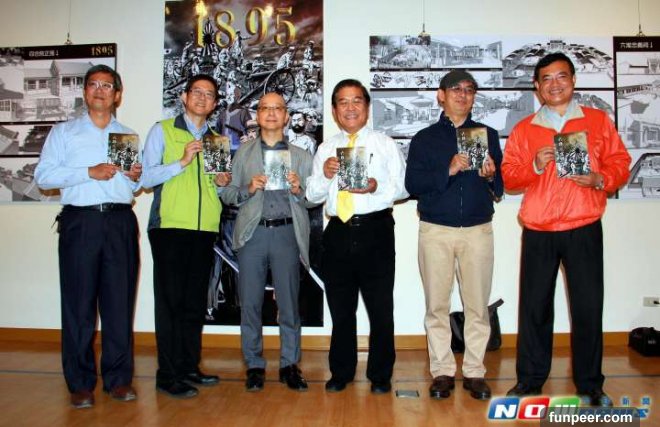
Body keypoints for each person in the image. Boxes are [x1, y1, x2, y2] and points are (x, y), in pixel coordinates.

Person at [501, 53, 631, 406]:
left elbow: (620, 162)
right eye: (546, 78)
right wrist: (533, 165)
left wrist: (599, 179)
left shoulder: (597, 121)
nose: (554, 84)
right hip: (539, 228)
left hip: (583, 224)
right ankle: (529, 380)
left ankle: (590, 385)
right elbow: (510, 177)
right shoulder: (525, 129)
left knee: (588, 307)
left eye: (561, 76)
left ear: (573, 81)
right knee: (534, 308)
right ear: (537, 86)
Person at [34, 64, 142, 408]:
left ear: (117, 95)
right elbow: (44, 177)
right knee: (78, 305)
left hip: (120, 222)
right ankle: (80, 383)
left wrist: (134, 176)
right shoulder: (64, 132)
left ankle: (118, 379)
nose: (99, 90)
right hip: (81, 223)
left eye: (107, 86)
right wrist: (88, 172)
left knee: (119, 304)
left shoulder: (126, 134)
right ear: (85, 92)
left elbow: (131, 187)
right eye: (93, 84)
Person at [404, 70, 503, 401]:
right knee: (437, 306)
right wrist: (447, 169)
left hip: (478, 230)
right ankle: (442, 371)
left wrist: (490, 176)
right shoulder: (425, 138)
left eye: (469, 89)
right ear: (441, 95)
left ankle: (475, 372)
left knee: (477, 307)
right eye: (455, 89)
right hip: (436, 230)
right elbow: (413, 185)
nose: (463, 94)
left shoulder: (488, 135)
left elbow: (500, 188)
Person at [306, 79, 408, 394]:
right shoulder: (325, 148)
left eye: (356, 101)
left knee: (380, 308)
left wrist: (376, 186)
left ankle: (380, 374)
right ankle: (341, 371)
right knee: (340, 309)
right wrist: (325, 175)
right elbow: (311, 195)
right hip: (337, 231)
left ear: (367, 106)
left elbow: (403, 188)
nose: (350, 108)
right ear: (334, 110)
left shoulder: (384, 143)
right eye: (343, 102)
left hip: (376, 230)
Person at [142, 74, 231, 399]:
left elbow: (217, 189)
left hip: (204, 229)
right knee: (170, 304)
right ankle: (167, 375)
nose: (202, 98)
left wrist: (221, 182)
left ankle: (189, 366)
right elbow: (145, 178)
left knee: (195, 303)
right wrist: (181, 161)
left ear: (215, 103)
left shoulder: (217, 140)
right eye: (197, 92)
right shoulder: (163, 130)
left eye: (209, 94)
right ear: (184, 96)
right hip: (170, 227)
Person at [220, 92, 315, 392]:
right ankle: (254, 365)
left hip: (287, 234)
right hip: (253, 234)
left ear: (286, 116)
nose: (271, 113)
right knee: (249, 304)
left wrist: (299, 190)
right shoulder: (243, 154)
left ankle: (290, 364)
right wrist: (248, 189)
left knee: (289, 305)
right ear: (257, 115)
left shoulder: (301, 156)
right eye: (265, 108)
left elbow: (314, 199)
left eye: (278, 109)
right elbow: (228, 194)